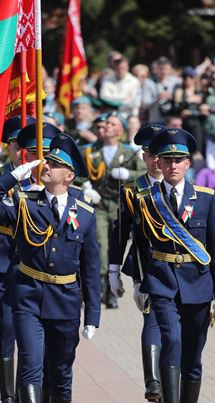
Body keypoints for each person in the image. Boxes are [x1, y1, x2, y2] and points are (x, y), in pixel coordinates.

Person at [0, 133, 101, 403]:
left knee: (60, 373)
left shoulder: (85, 213)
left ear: (70, 175)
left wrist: (93, 316)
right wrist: (12, 176)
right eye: (47, 161)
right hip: (29, 295)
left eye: (56, 164)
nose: (47, 166)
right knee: (31, 363)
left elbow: (91, 270)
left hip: (65, 300)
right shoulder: (24, 202)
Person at [138, 127, 215, 403]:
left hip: (199, 287)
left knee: (193, 358)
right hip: (162, 282)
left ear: (188, 163)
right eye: (167, 160)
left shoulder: (205, 198)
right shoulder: (147, 199)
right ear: (158, 164)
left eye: (179, 160)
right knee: (171, 341)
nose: (173, 166)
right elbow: (139, 244)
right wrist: (138, 281)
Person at [108, 123, 166, 403]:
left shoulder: (188, 190)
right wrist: (112, 270)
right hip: (147, 269)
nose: (157, 161)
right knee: (153, 319)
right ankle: (154, 381)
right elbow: (120, 233)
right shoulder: (133, 191)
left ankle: (168, 385)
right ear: (143, 157)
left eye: (162, 154)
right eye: (150, 154)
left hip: (185, 273)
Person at [0, 115, 36, 403]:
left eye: (29, 146)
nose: (22, 152)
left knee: (28, 326)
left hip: (33, 261)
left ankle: (24, 389)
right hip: (3, 256)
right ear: (9, 148)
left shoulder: (44, 178)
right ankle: (7, 395)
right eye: (17, 146)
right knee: (4, 327)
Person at [81, 111, 146, 308]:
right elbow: (76, 173)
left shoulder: (130, 152)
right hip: (99, 205)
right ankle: (102, 288)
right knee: (101, 245)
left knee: (117, 245)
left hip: (121, 206)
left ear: (120, 130)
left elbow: (146, 172)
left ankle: (112, 291)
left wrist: (129, 173)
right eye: (106, 123)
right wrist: (86, 186)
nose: (107, 126)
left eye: (112, 123)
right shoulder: (90, 150)